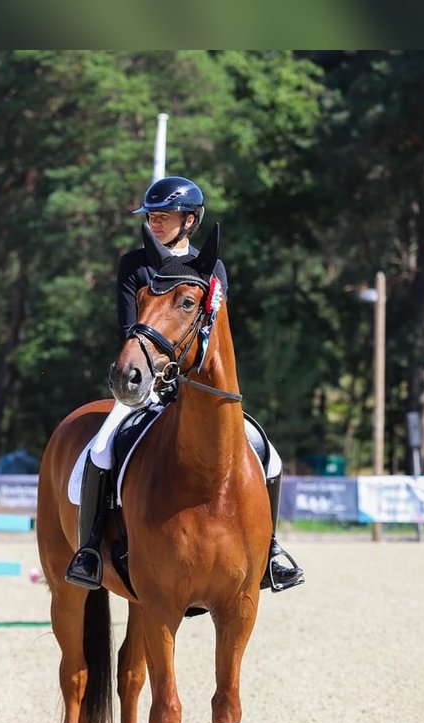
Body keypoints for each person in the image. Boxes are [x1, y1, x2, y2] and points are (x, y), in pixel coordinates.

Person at [65, 175, 305, 593]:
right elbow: (129, 327)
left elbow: (214, 333)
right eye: (151, 216)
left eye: (163, 216)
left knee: (269, 455)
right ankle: (89, 549)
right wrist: (154, 378)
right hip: (146, 381)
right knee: (101, 449)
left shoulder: (211, 269)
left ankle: (268, 551)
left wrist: (194, 381)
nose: (154, 222)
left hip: (196, 388)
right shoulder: (134, 265)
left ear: (189, 220)